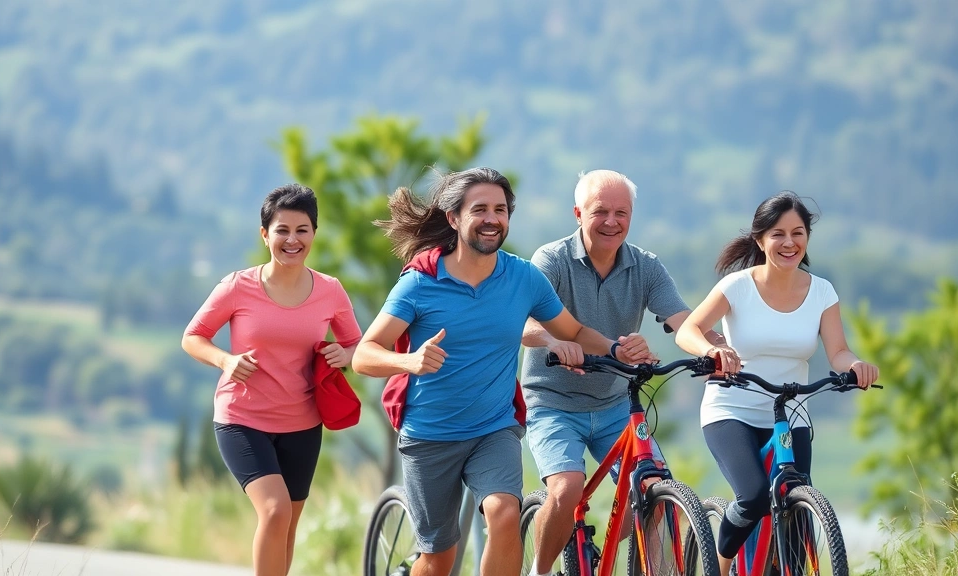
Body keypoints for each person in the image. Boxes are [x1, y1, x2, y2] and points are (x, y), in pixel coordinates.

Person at [352, 167, 642, 576]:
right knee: (438, 561)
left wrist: (615, 348)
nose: (492, 218)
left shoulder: (522, 277)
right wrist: (409, 361)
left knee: (505, 514)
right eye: (480, 209)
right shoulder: (421, 283)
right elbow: (364, 354)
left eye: (501, 209)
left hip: (494, 428)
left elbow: (572, 329)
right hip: (430, 435)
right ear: (454, 218)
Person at [520, 169, 725, 576]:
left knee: (656, 498)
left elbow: (682, 319)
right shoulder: (551, 259)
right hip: (553, 403)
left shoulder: (645, 266)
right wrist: (554, 342)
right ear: (578, 213)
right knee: (565, 490)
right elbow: (523, 322)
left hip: (616, 403)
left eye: (622, 212)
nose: (612, 221)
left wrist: (716, 348)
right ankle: (540, 572)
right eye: (600, 212)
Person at [674, 191, 879, 576]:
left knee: (796, 516)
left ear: (807, 238)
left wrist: (857, 365)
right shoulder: (737, 286)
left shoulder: (821, 292)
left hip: (790, 414)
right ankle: (717, 568)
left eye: (798, 233)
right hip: (730, 409)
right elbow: (688, 330)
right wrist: (713, 351)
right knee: (752, 498)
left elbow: (838, 351)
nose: (789, 243)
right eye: (778, 234)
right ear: (760, 239)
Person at [181, 183, 362, 576]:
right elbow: (192, 338)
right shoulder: (237, 286)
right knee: (275, 509)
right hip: (242, 419)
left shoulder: (330, 291)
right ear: (265, 235)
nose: (292, 240)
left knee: (288, 524)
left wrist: (345, 355)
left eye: (302, 230)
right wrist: (225, 360)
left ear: (314, 234)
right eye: (282, 230)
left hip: (302, 423)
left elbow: (358, 346)